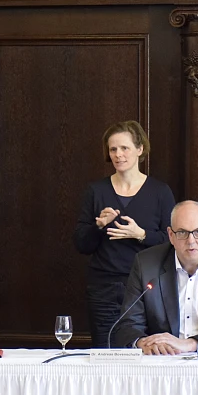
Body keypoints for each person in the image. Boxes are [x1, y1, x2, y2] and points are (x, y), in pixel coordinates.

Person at [74, 120, 175, 348]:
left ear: (140, 150)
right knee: (105, 353)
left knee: (148, 352)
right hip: (104, 289)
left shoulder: (160, 192)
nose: (118, 155)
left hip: (148, 289)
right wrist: (98, 226)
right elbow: (81, 244)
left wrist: (141, 234)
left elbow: (173, 241)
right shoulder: (96, 191)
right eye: (113, 149)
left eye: (124, 148)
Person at [111, 200, 198, 354]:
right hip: (162, 362)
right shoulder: (146, 265)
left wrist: (192, 344)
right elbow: (127, 326)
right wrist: (141, 343)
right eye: (182, 233)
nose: (191, 240)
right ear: (171, 235)